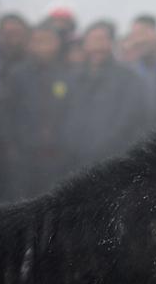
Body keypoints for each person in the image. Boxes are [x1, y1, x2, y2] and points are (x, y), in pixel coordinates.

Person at [62, 21, 146, 172]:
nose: (97, 46)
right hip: (73, 159)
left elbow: (127, 120)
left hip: (111, 159)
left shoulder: (128, 78)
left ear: (111, 43)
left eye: (102, 40)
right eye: (93, 40)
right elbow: (65, 115)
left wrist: (102, 147)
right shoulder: (73, 78)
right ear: (85, 44)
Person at [3, 21, 72, 198]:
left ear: (57, 43)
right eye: (37, 41)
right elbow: (7, 112)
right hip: (25, 153)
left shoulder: (68, 74)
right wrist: (13, 145)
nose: (42, 46)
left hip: (58, 154)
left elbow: (74, 114)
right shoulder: (18, 74)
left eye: (47, 41)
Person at [129, 14, 156, 78]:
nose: (138, 40)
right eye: (135, 35)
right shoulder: (127, 63)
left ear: (155, 34)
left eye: (142, 33)